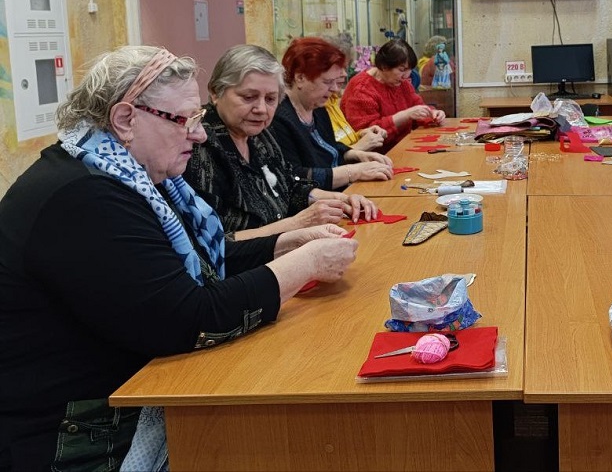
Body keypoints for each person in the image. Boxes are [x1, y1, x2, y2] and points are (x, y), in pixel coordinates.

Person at [0, 46, 359, 471]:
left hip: (120, 396)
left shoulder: (118, 172)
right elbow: (189, 317)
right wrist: (307, 264)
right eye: (185, 120)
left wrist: (285, 243)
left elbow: (195, 261)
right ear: (125, 119)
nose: (200, 134)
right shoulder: (86, 197)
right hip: (73, 434)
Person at [185, 44, 378, 240]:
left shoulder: (259, 133)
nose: (261, 109)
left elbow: (289, 185)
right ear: (216, 92)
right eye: (249, 97)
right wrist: (297, 223)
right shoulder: (198, 146)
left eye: (270, 99)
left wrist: (340, 200)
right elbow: (213, 243)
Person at [271, 37, 393, 189]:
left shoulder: (318, 107)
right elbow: (295, 177)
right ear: (300, 77)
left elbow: (329, 147)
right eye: (327, 82)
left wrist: (354, 154)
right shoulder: (279, 118)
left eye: (337, 81)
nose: (335, 89)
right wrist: (354, 172)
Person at [341, 38, 446, 151]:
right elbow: (367, 135)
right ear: (384, 66)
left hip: (402, 148)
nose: (406, 76)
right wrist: (405, 115)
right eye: (402, 70)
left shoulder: (402, 83)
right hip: (376, 156)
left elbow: (417, 106)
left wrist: (432, 113)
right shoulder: (361, 89)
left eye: (410, 70)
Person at [322, 33, 389, 152]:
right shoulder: (317, 106)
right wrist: (357, 147)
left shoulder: (332, 100)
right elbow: (325, 158)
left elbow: (341, 141)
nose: (344, 74)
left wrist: (361, 135)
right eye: (338, 68)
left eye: (345, 68)